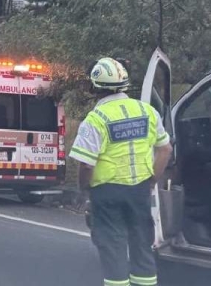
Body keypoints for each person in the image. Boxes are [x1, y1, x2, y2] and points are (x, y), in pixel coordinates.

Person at [70, 57, 173, 286]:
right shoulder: (147, 111)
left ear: (95, 87)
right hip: (139, 192)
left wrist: (83, 190)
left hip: (107, 195)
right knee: (142, 248)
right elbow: (165, 149)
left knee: (113, 249)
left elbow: (87, 165)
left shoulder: (95, 120)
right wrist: (151, 181)